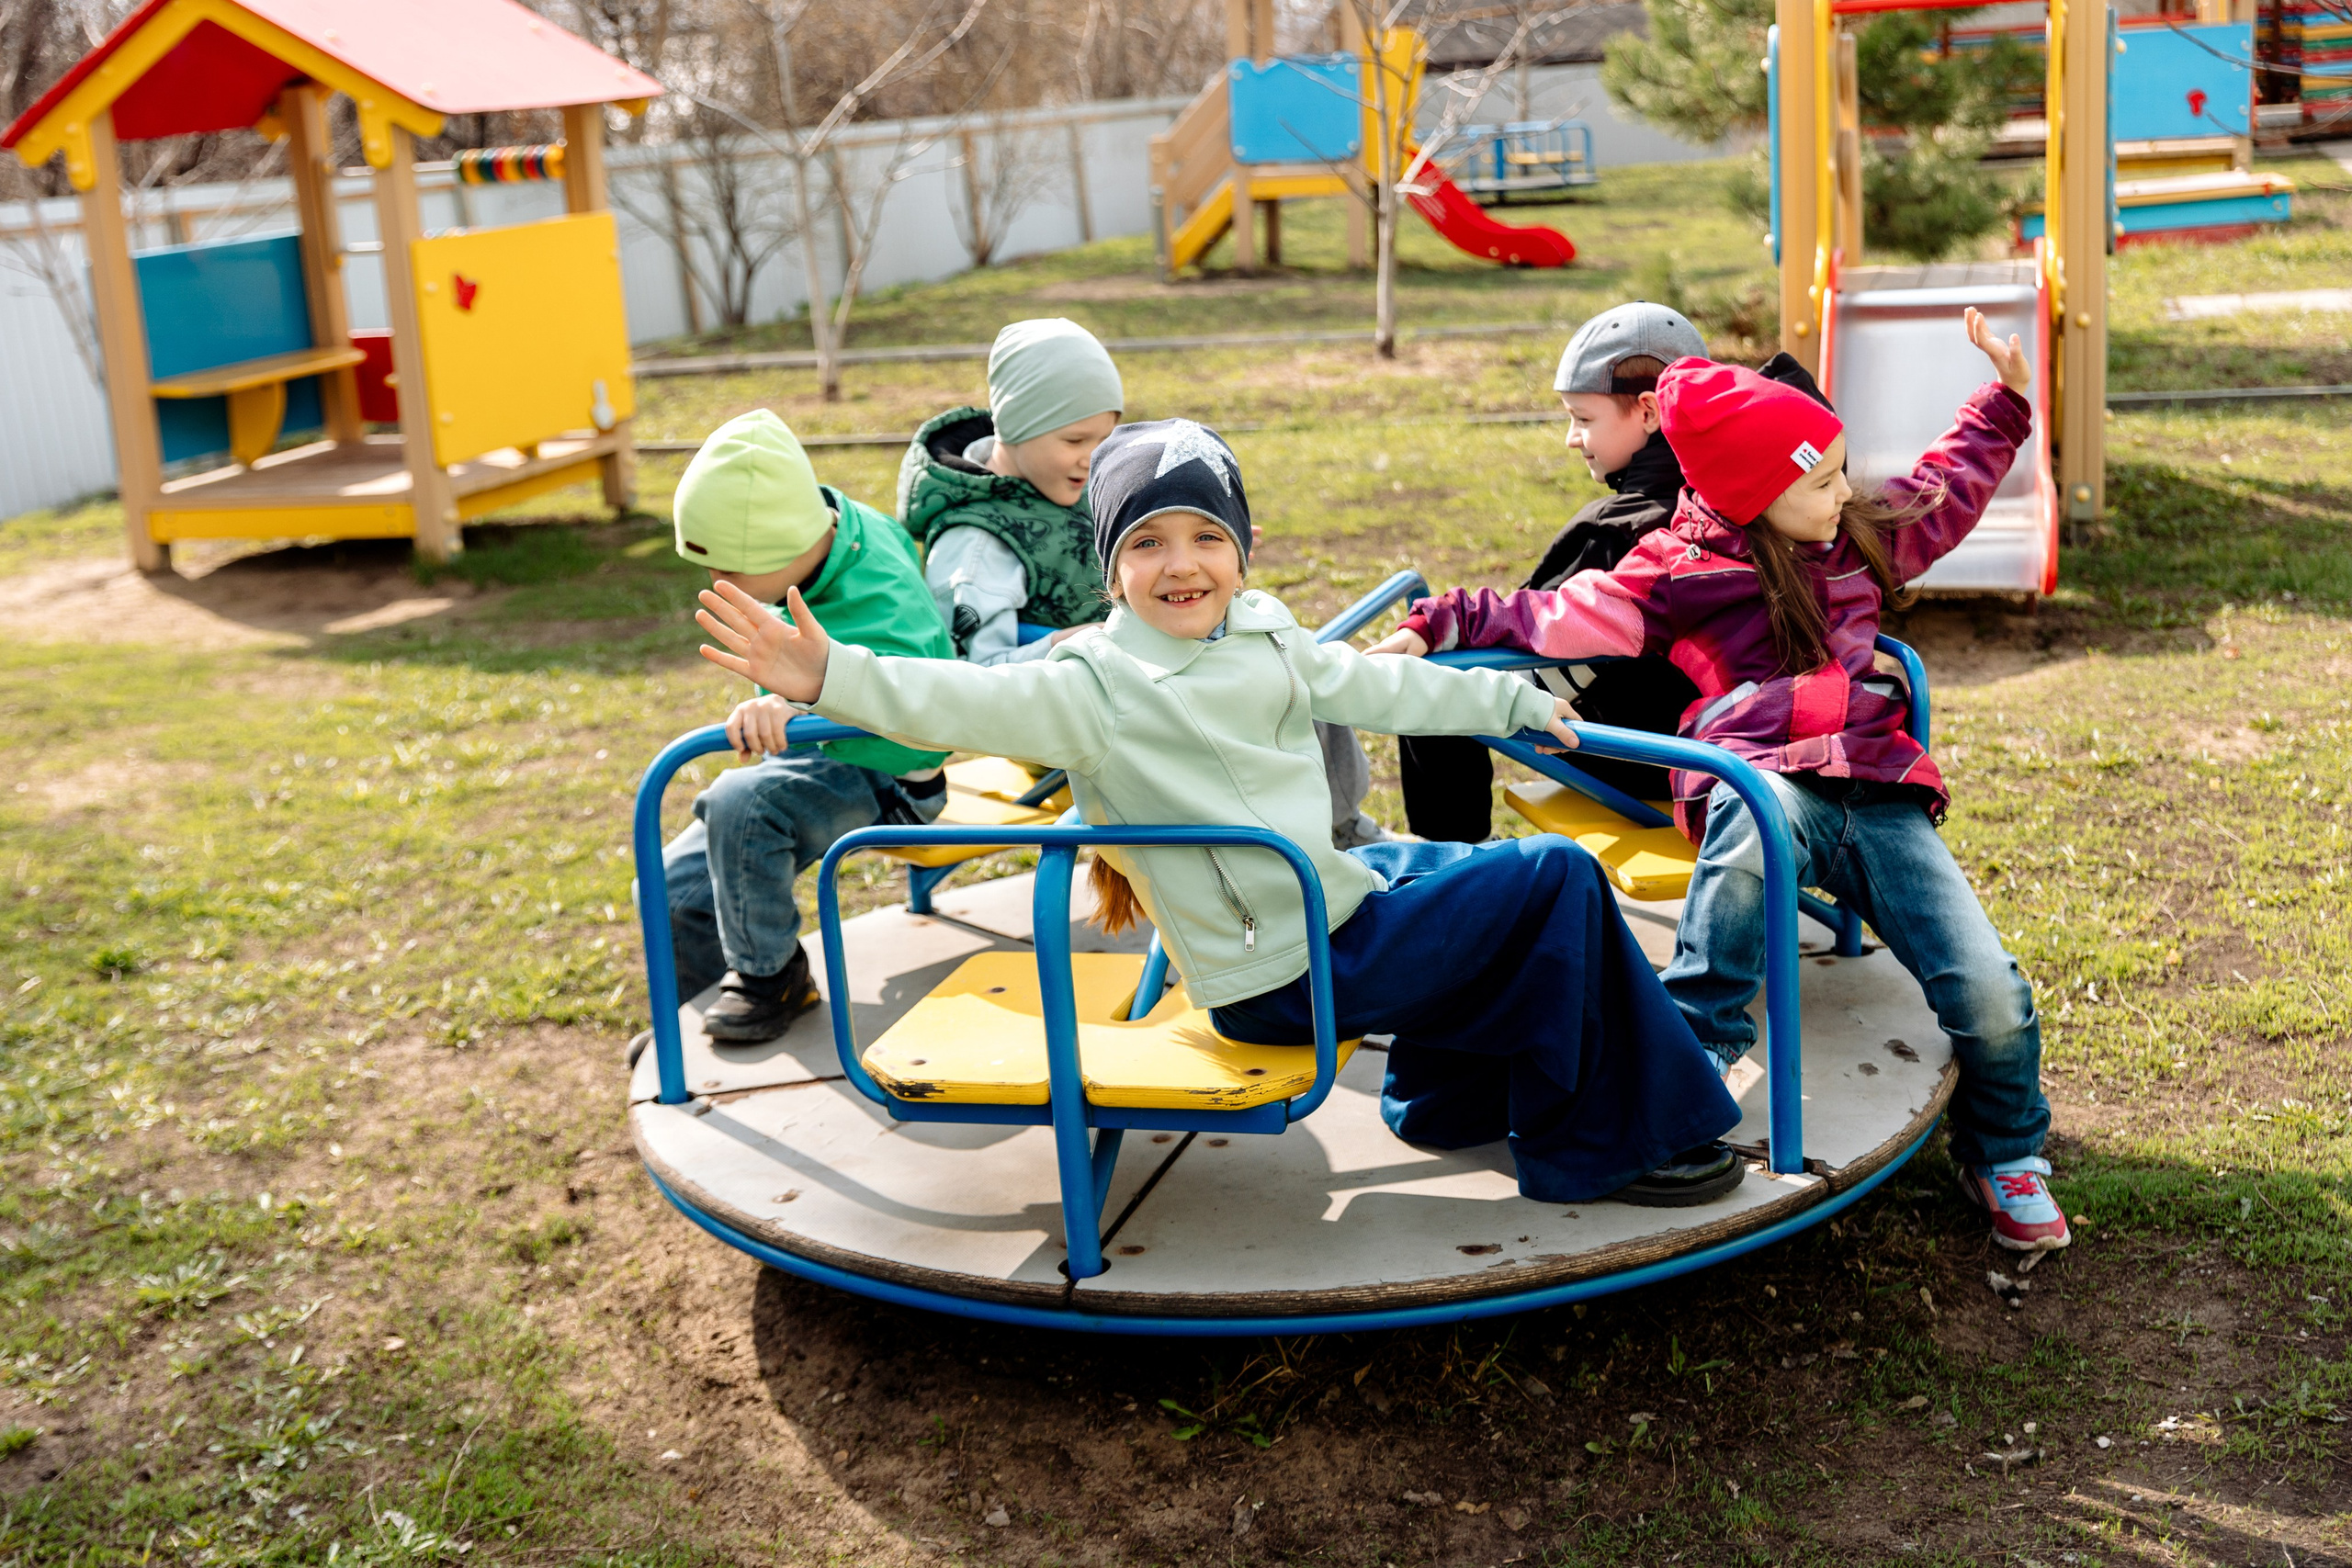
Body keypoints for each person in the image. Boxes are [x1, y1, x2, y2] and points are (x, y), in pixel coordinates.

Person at [695, 418, 1747, 1207]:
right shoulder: (1092, 684)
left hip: (1332, 916)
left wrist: (1511, 698)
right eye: (1147, 544)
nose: (1182, 564)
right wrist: (827, 671)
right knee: (1550, 876)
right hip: (1281, 974)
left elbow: (1376, 687)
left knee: (1447, 869)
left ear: (1241, 549)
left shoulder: (1263, 636)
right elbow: (952, 698)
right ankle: (1607, 1144)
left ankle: (1451, 1100)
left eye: (1206, 535)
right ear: (1112, 568)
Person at [1372, 310, 2066, 1251]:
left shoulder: (1855, 537)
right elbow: (1542, 616)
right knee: (1755, 809)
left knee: (1988, 991)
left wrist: (2007, 396)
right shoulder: (1671, 574)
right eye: (1819, 479)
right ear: (1754, 490)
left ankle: (2004, 1148)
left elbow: (1945, 488)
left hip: (1875, 795)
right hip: (1762, 784)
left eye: (1838, 470)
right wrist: (1436, 619)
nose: (1841, 491)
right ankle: (1697, 1042)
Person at [899, 317, 1397, 850]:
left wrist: (1208, 544)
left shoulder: (1062, 482)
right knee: (1273, 681)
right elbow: (972, 678)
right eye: (1074, 439)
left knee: (1283, 658)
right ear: (1017, 428)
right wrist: (1058, 645)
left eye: (1103, 437)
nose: (1093, 458)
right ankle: (1332, 836)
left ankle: (1334, 825)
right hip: (1073, 706)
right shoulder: (978, 547)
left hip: (1144, 665)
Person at [661, 409, 957, 1043]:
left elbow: (931, 715)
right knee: (672, 886)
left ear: (785, 546)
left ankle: (769, 979)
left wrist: (798, 709)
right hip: (814, 757)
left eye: (731, 572)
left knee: (740, 802)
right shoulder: (827, 524)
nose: (718, 586)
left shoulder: (886, 597)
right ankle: (699, 1024)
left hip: (892, 776)